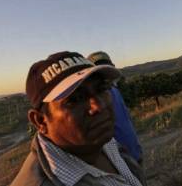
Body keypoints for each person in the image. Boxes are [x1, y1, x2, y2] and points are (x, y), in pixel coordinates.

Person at [11, 51, 147, 186]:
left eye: (101, 89)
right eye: (76, 99)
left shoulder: (99, 141)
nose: (99, 106)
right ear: (40, 121)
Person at [87, 51, 142, 163]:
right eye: (97, 72)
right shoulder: (92, 101)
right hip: (119, 161)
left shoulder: (115, 90)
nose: (102, 78)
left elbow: (125, 118)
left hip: (134, 151)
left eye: (106, 69)